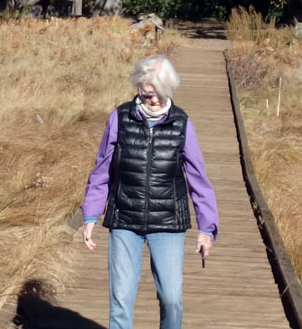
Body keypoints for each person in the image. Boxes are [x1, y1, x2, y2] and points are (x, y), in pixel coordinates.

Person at [81, 54, 218, 329]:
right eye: (145, 95)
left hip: (167, 221)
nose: (151, 101)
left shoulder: (181, 123)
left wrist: (207, 228)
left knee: (171, 298)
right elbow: (101, 169)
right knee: (120, 299)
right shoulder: (119, 118)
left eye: (157, 95)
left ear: (168, 90)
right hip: (124, 219)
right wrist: (90, 215)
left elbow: (198, 178)